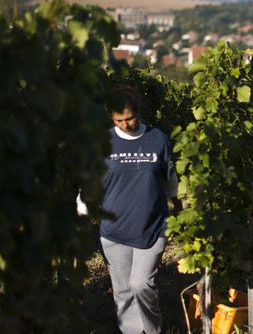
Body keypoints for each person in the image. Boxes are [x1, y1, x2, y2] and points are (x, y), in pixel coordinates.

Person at [78, 84, 180, 334]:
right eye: (119, 120)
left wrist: (179, 213)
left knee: (141, 285)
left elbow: (171, 183)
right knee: (123, 293)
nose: (125, 124)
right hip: (114, 233)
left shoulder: (158, 139)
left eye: (130, 118)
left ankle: (153, 330)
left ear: (139, 112)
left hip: (153, 228)